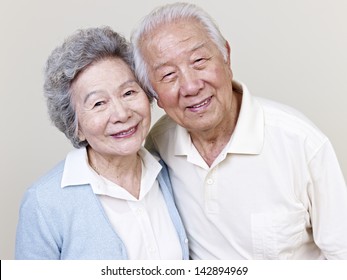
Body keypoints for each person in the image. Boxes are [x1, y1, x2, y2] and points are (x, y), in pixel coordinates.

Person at [131, 2, 347, 259]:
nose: (190, 86)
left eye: (199, 61)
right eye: (168, 75)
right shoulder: (157, 144)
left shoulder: (301, 143)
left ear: (226, 57)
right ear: (155, 96)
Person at [15, 26, 189, 260]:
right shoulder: (44, 202)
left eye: (128, 93)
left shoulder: (171, 170)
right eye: (98, 103)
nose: (121, 114)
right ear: (75, 127)